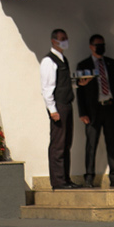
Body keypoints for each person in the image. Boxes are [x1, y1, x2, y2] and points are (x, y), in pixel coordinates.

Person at [77, 34, 114, 187]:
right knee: (91, 144)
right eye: (97, 44)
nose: (101, 47)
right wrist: (82, 112)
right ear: (91, 46)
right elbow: (80, 90)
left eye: (102, 44)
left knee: (112, 143)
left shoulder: (111, 63)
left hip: (110, 107)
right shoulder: (84, 65)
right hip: (93, 110)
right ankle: (89, 177)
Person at [39, 28, 76, 189]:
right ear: (54, 41)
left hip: (67, 105)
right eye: (62, 38)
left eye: (66, 38)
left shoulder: (63, 59)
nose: (64, 41)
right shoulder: (49, 61)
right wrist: (52, 110)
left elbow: (63, 83)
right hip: (58, 106)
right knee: (58, 145)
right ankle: (58, 181)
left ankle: (66, 178)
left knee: (66, 144)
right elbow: (47, 87)